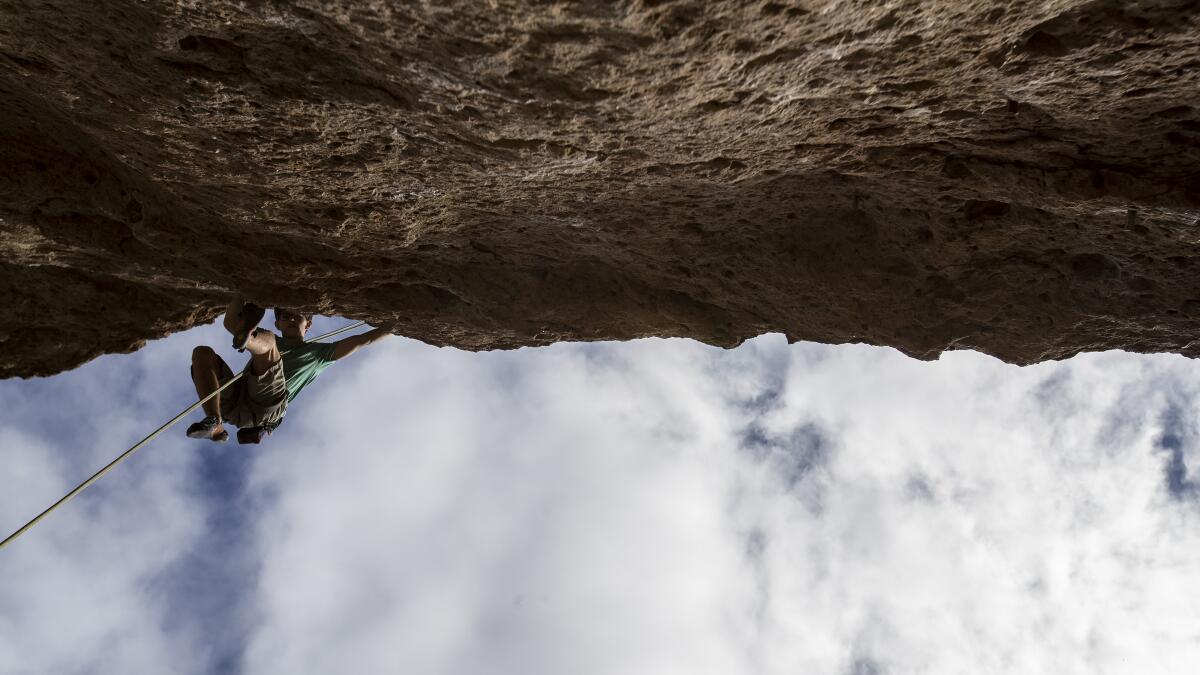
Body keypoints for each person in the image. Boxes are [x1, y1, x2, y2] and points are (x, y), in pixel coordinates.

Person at [186, 296, 392, 444]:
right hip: (234, 408)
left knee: (268, 344)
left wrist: (395, 326)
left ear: (308, 323)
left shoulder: (320, 353)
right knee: (201, 353)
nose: (292, 319)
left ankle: (243, 333)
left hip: (267, 406)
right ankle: (214, 421)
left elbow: (362, 341)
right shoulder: (273, 337)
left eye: (297, 316)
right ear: (278, 323)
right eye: (286, 316)